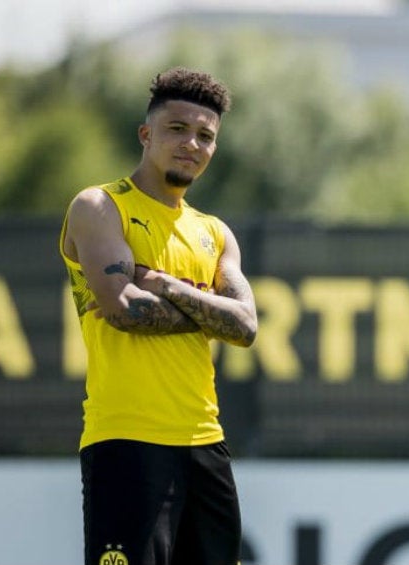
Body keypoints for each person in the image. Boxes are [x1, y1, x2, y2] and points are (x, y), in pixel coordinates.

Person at [59, 67, 258, 565]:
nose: (192, 143)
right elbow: (124, 309)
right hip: (127, 441)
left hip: (205, 445)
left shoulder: (215, 233)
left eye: (206, 136)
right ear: (146, 134)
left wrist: (167, 285)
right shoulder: (101, 207)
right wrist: (211, 311)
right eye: (177, 129)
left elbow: (247, 327)